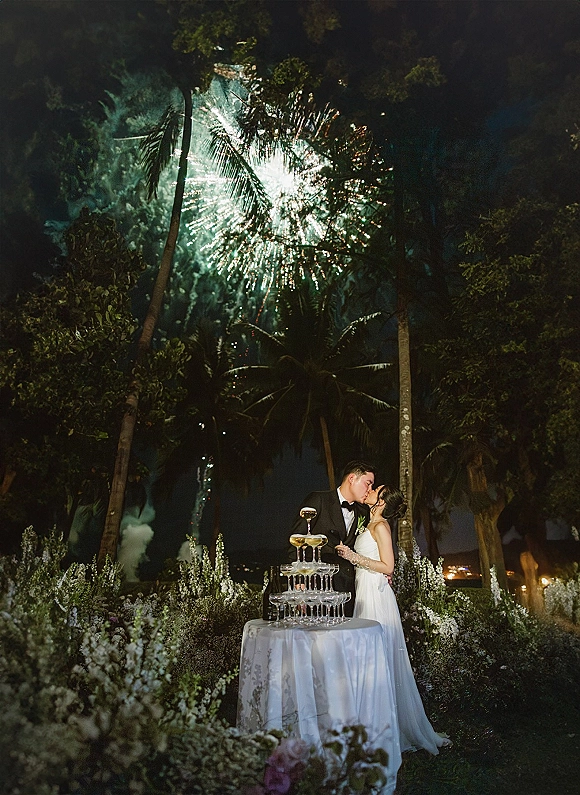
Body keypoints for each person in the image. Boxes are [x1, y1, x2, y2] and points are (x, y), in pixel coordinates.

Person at [337, 485, 451, 755]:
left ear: (382, 502)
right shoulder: (371, 523)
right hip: (366, 590)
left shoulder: (381, 527)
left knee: (379, 659)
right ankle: (368, 721)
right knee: (367, 659)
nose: (372, 490)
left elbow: (389, 566)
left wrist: (353, 556)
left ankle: (385, 727)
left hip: (376, 597)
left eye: (377, 490)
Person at [290, 461, 376, 616]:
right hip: (317, 587)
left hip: (349, 590)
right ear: (352, 478)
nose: (369, 490)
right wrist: (299, 583)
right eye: (367, 484)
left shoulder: (363, 512)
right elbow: (296, 540)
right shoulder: (318, 500)